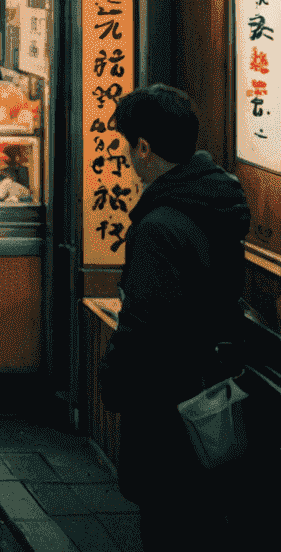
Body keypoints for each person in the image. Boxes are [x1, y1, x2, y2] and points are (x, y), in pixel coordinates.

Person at [97, 85, 251, 549]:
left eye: (125, 145)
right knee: (201, 517)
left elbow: (145, 326)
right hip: (209, 388)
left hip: (167, 405)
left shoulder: (160, 226)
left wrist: (112, 377)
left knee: (167, 521)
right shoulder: (213, 199)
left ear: (144, 147)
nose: (124, 158)